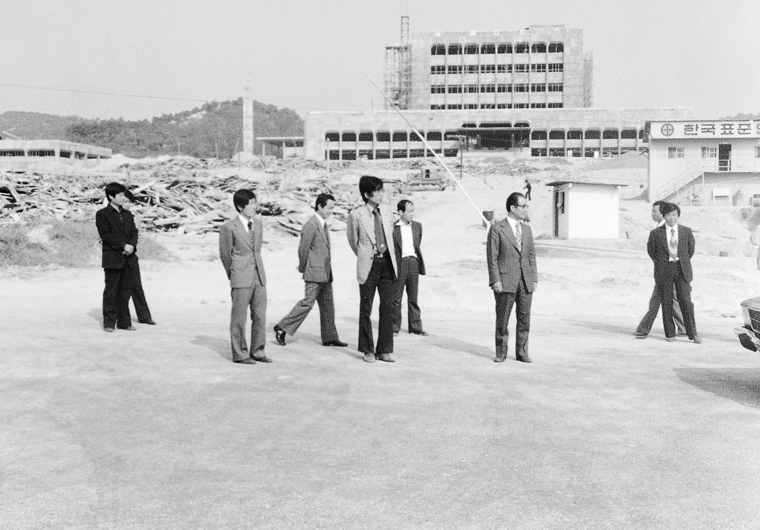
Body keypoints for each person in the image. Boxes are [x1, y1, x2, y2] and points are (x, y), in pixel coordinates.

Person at [273, 193, 347, 348]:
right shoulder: (311, 225)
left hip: (326, 272)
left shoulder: (323, 224)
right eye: (329, 208)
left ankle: (330, 337)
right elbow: (303, 249)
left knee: (328, 306)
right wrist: (304, 268)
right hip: (314, 272)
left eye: (333, 208)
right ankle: (282, 327)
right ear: (319, 206)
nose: (330, 211)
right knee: (307, 303)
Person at [346, 175, 399, 363]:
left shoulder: (386, 211)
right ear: (367, 194)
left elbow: (390, 235)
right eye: (377, 191)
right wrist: (366, 255)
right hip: (369, 265)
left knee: (387, 308)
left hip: (387, 264)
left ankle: (384, 349)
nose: (381, 194)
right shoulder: (356, 215)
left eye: (382, 190)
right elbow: (354, 241)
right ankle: (367, 349)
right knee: (366, 308)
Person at [219, 189, 271, 364]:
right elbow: (225, 255)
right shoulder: (228, 228)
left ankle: (258, 350)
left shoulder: (258, 224)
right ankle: (240, 353)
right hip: (240, 276)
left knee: (259, 315)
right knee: (239, 318)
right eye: (251, 204)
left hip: (259, 275)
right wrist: (234, 273)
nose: (255, 207)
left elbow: (257, 250)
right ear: (241, 206)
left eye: (255, 203)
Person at [486, 192, 537, 363]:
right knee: (503, 319)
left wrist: (534, 278)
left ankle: (522, 352)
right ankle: (501, 352)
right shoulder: (497, 229)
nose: (526, 209)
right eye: (523, 206)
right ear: (513, 208)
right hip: (505, 281)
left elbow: (531, 256)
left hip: (525, 281)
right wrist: (495, 280)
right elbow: (492, 258)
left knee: (524, 319)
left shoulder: (527, 229)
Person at [647, 202, 701, 344]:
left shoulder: (686, 231)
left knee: (686, 302)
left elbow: (690, 250)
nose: (671, 218)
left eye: (674, 215)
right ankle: (670, 333)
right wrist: (663, 263)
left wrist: (680, 260)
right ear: (664, 216)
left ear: (678, 216)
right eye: (668, 215)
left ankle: (693, 334)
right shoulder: (656, 233)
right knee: (667, 302)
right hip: (664, 270)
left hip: (682, 269)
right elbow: (651, 252)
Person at [634, 200, 685, 338]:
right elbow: (652, 252)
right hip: (664, 271)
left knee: (656, 300)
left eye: (655, 211)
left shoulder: (667, 230)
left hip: (668, 271)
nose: (652, 214)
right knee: (671, 299)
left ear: (664, 213)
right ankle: (683, 328)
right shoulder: (658, 229)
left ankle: (643, 329)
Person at [96, 182, 139, 332]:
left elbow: (134, 232)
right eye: (119, 195)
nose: (122, 197)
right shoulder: (102, 215)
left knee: (125, 291)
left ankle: (124, 322)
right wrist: (123, 246)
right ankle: (109, 322)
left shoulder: (127, 215)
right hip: (112, 258)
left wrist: (132, 246)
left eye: (123, 194)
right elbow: (106, 235)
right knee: (111, 291)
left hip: (128, 257)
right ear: (110, 196)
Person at [392, 199, 427, 336]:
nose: (412, 214)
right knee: (396, 298)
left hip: (413, 263)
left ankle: (415, 327)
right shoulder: (393, 228)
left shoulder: (417, 226)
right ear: (400, 212)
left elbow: (417, 244)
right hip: (400, 263)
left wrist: (415, 261)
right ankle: (394, 327)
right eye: (409, 211)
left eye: (413, 211)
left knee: (413, 297)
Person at [123, 190, 156, 326]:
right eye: (123, 201)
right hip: (117, 255)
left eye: (128, 202)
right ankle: (119, 318)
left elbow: (135, 236)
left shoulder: (134, 218)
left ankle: (144, 316)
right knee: (119, 289)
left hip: (131, 254)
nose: (126, 204)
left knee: (137, 286)